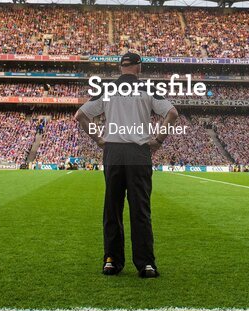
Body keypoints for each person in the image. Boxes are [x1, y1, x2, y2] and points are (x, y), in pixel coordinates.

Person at [75, 51, 179, 278]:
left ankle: (112, 260)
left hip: (113, 151)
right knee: (140, 209)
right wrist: (159, 140)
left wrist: (99, 139)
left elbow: (80, 115)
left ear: (121, 68)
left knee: (112, 208)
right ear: (139, 67)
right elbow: (172, 113)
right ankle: (146, 264)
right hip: (138, 152)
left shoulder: (108, 89)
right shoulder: (149, 89)